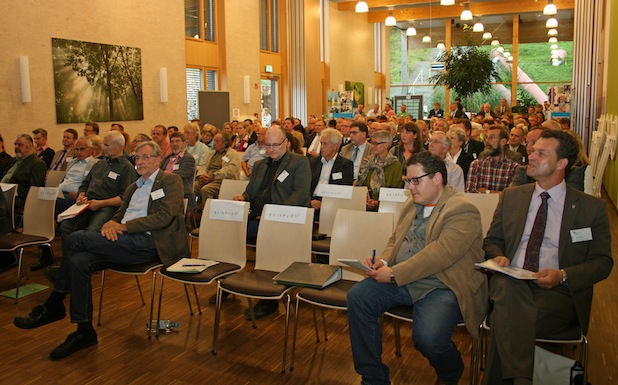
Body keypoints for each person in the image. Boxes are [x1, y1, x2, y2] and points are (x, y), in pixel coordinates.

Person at [13, 141, 188, 360]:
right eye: (137, 157)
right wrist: (109, 225)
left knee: (76, 238)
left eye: (146, 157)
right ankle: (84, 331)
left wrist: (122, 227)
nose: (140, 162)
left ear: (158, 158)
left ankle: (54, 304)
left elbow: (164, 217)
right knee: (78, 261)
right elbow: (119, 213)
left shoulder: (171, 181)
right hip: (123, 241)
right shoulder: (134, 186)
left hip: (150, 244)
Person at [482, 129, 613, 385]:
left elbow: (602, 262)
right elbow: (493, 241)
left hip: (558, 293)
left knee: (505, 318)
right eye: (532, 150)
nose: (530, 156)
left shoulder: (590, 208)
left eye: (541, 153)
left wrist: (562, 275)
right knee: (507, 291)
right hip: (511, 279)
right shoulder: (512, 197)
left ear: (561, 164)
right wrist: (498, 257)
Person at [348, 152, 488, 385]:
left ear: (437, 179)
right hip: (405, 278)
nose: (410, 187)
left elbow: (440, 254)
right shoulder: (412, 204)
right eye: (408, 181)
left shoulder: (462, 210)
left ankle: (451, 371)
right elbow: (396, 239)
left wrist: (393, 274)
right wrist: (382, 261)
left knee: (428, 338)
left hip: (442, 284)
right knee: (358, 297)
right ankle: (373, 378)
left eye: (416, 181)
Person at [231, 126, 311, 317]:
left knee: (264, 232)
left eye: (276, 144)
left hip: (285, 217)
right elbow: (250, 192)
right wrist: (242, 197)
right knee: (226, 226)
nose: (272, 149)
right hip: (259, 215)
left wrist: (272, 213)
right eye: (268, 145)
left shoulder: (299, 162)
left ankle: (269, 298)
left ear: (287, 143)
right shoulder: (260, 165)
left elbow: (301, 194)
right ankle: (227, 278)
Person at [58, 131, 137, 257]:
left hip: (108, 207)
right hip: (88, 204)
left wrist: (100, 203)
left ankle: (85, 262)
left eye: (106, 145)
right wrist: (81, 195)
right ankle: (69, 263)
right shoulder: (99, 163)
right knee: (66, 226)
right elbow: (85, 184)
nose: (103, 148)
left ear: (118, 146)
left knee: (91, 233)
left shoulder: (126, 168)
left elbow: (125, 198)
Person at [309, 128, 354, 210]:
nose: (321, 147)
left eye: (325, 144)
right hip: (311, 201)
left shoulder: (345, 165)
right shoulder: (313, 162)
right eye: (321, 143)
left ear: (335, 146)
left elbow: (345, 191)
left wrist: (323, 203)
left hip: (332, 203)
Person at [1, 134, 46, 213]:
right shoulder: (14, 160)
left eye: (20, 145)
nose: (16, 147)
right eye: (15, 144)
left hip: (18, 198)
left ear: (30, 146)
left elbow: (34, 189)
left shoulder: (37, 164)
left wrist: (12, 190)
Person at [357, 130, 402, 210]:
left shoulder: (395, 165)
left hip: (386, 205)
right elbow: (362, 184)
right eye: (372, 143)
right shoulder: (368, 162)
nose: (372, 146)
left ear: (386, 145)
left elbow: (395, 191)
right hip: (365, 202)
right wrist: (366, 199)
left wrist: (377, 202)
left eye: (376, 144)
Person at [466, 125, 519, 193]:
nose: (487, 141)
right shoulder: (477, 165)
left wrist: (486, 191)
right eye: (486, 137)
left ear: (503, 141)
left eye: (491, 137)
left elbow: (512, 195)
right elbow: (470, 192)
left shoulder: (513, 168)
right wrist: (499, 193)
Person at [55, 136, 99, 215]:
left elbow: (93, 184)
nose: (79, 152)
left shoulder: (96, 163)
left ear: (91, 149)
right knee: (40, 197)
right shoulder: (72, 162)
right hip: (60, 192)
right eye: (77, 149)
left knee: (56, 201)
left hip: (75, 196)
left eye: (82, 149)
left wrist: (80, 193)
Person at [194, 132, 240, 206]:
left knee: (206, 190)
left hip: (221, 180)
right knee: (192, 187)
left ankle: (208, 213)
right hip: (207, 178)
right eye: (214, 141)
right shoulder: (212, 153)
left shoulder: (232, 154)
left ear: (225, 143)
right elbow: (204, 166)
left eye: (217, 141)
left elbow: (229, 170)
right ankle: (191, 212)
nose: (214, 143)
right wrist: (201, 176)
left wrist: (213, 176)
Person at [161, 132, 196, 209]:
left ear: (184, 143)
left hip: (180, 191)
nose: (175, 144)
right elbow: (159, 172)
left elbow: (177, 176)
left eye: (177, 141)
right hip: (165, 188)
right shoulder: (167, 158)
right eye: (172, 142)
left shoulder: (188, 158)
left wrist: (162, 176)